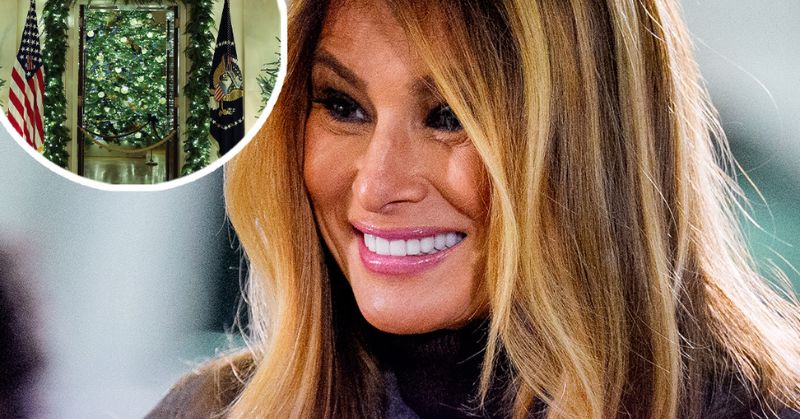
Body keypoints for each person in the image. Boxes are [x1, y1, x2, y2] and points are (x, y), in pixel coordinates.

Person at [147, 0, 800, 418]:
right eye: (343, 106)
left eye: (450, 116)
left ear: (591, 150)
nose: (375, 187)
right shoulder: (214, 410)